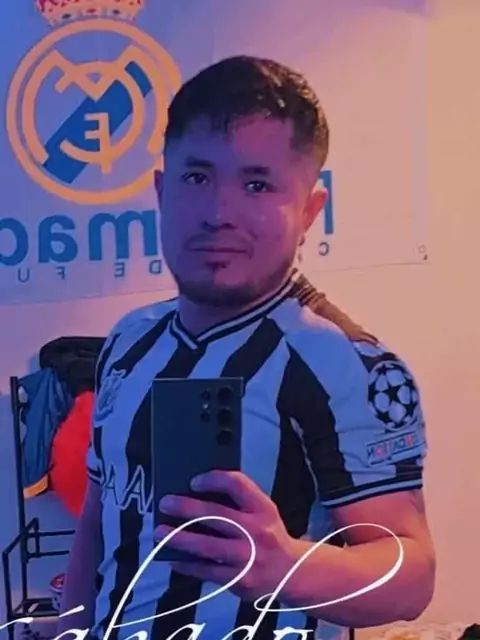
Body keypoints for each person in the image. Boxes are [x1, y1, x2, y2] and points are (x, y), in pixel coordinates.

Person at [57, 56, 435, 640]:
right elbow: (98, 519)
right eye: (196, 177)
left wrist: (286, 567)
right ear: (161, 190)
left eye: (257, 184)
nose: (219, 214)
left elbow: (412, 578)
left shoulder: (347, 364)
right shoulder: (129, 340)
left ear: (309, 211)